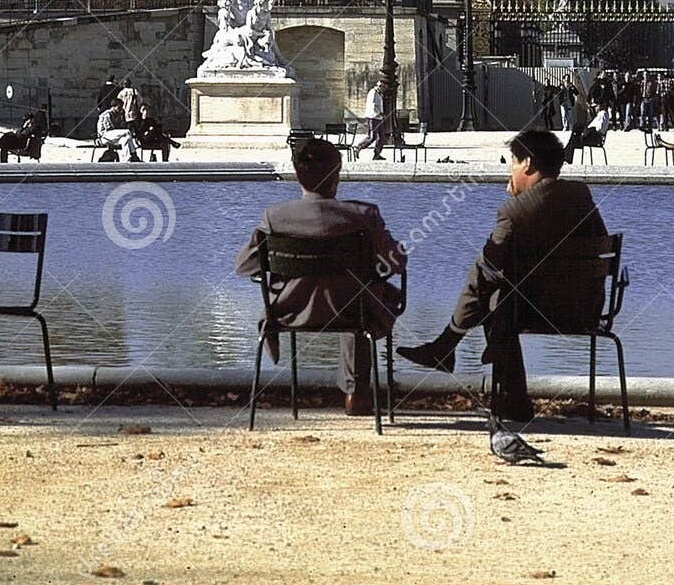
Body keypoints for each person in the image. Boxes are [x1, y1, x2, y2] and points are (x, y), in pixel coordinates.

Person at [397, 130, 608, 419]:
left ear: (529, 164)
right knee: (498, 293)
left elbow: (490, 267)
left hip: (536, 312)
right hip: (587, 309)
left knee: (495, 296)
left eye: (513, 163)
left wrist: (515, 203)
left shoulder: (516, 210)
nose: (509, 170)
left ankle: (458, 351)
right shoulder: (581, 195)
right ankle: (450, 349)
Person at [234, 136, 404, 416]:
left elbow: (243, 266)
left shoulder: (274, 217)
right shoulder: (364, 214)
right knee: (360, 295)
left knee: (351, 291)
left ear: (298, 176)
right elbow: (397, 262)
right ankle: (357, 392)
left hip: (290, 312)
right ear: (336, 176)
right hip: (355, 313)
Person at [350, 83, 388, 159]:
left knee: (381, 137)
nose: (384, 89)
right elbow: (372, 105)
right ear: (380, 86)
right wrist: (380, 113)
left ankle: (377, 154)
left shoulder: (379, 93)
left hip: (379, 118)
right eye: (384, 87)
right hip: (373, 117)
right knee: (372, 137)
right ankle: (358, 147)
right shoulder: (373, 92)